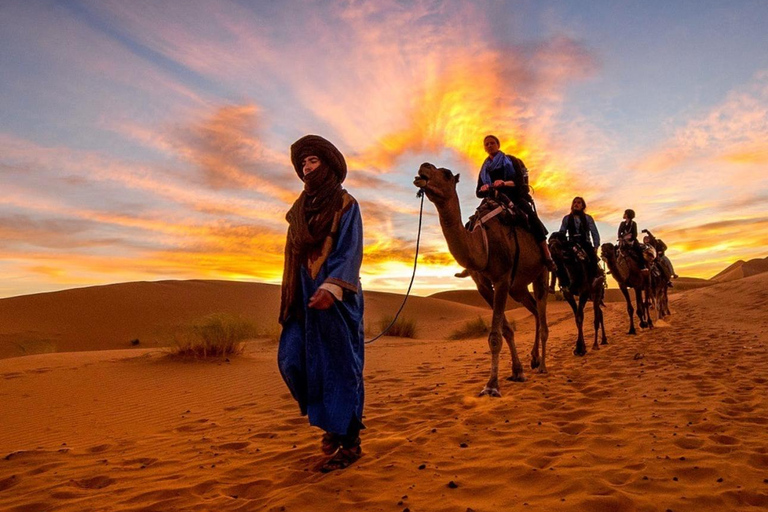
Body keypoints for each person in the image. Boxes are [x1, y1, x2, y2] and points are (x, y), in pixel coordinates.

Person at [277, 135, 365, 473]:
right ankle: (329, 424)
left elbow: (350, 250)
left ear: (326, 165)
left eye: (312, 162)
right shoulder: (298, 211)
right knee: (294, 360)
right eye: (303, 163)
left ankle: (349, 441)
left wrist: (331, 287)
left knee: (341, 369)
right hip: (303, 299)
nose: (306, 168)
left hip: (337, 299)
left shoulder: (346, 204)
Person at [475, 134, 556, 271]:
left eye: (492, 143)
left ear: (498, 145)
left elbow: (520, 182)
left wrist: (504, 183)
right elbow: (478, 192)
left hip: (513, 196)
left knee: (531, 217)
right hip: (492, 199)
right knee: (473, 221)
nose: (489, 145)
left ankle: (546, 254)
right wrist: (484, 188)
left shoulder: (511, 161)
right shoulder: (484, 168)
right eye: (486, 144)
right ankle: (475, 260)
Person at [550, 196, 601, 292]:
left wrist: (596, 246)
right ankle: (561, 283)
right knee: (558, 256)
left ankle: (594, 279)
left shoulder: (588, 218)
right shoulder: (566, 218)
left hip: (585, 242)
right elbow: (562, 231)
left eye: (579, 203)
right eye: (574, 203)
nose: (576, 204)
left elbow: (594, 232)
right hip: (571, 243)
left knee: (592, 258)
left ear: (582, 206)